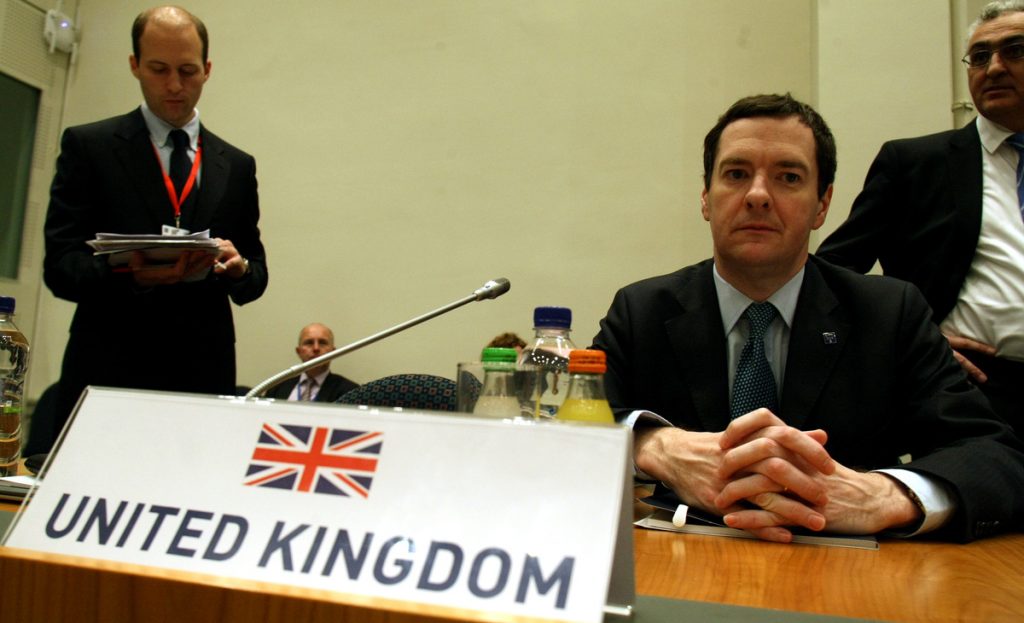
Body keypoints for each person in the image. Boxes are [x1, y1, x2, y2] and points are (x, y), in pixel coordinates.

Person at [592, 93, 1024, 544]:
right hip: (682, 561)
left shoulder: (889, 313)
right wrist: (656, 446)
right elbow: (571, 426)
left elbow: (995, 455)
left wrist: (882, 497)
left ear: (822, 205)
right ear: (706, 198)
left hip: (849, 569)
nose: (758, 196)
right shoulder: (643, 310)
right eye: (736, 174)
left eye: (788, 177)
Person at [43, 6, 268, 447]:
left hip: (202, 373)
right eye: (159, 69)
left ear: (207, 70)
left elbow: (256, 274)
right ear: (135, 65)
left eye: (187, 71)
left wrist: (239, 269)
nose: (174, 85)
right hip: (109, 368)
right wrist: (130, 273)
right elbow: (61, 268)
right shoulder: (90, 147)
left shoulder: (237, 166)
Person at [817, 0, 1024, 433]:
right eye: (980, 56)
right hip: (977, 389)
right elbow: (831, 273)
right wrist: (916, 339)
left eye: (1015, 50)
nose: (994, 68)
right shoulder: (916, 164)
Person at [265, 323, 359, 402]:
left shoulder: (351, 391)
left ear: (333, 352)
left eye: (322, 342)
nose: (316, 348)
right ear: (299, 351)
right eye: (309, 342)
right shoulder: (277, 387)